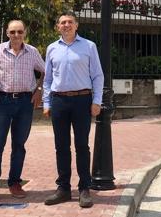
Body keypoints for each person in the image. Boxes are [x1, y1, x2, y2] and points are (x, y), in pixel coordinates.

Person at [42, 12, 103, 208]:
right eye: (62, 22)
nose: (66, 25)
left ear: (76, 25)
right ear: (58, 27)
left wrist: (97, 101)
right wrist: (46, 103)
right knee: (61, 146)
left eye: (70, 22)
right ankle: (63, 189)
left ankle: (84, 188)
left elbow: (97, 76)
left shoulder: (89, 46)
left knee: (82, 146)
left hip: (82, 100)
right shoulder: (52, 48)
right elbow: (48, 80)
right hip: (59, 101)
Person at [0, 20, 45, 203]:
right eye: (12, 32)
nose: (16, 35)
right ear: (7, 33)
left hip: (25, 102)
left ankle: (15, 182)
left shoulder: (32, 52)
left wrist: (39, 91)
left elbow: (47, 71)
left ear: (24, 32)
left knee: (19, 145)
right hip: (2, 101)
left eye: (19, 32)